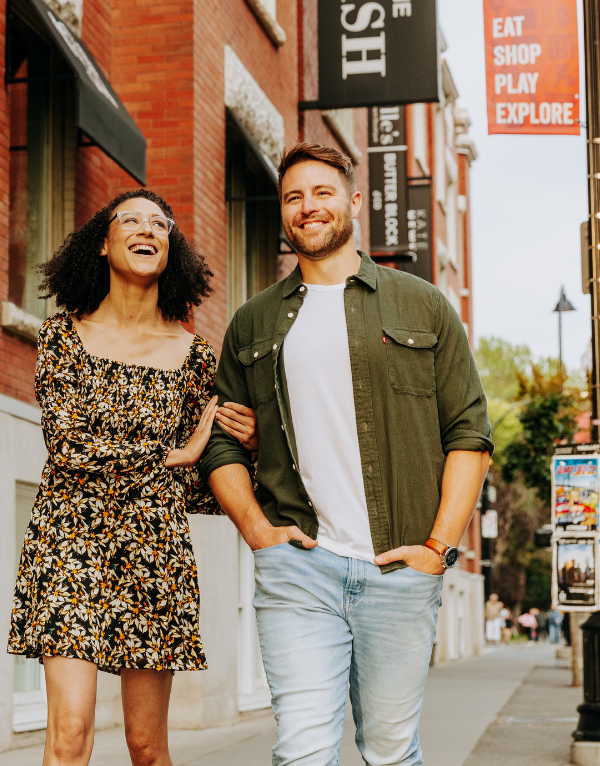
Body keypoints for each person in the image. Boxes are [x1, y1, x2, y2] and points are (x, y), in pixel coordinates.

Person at [200, 143, 493, 766]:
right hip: (299, 567)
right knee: (303, 750)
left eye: (323, 193)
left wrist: (436, 549)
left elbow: (468, 434)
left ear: (354, 201)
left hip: (399, 569)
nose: (309, 207)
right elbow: (223, 439)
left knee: (388, 749)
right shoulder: (253, 323)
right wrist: (257, 531)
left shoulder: (421, 305)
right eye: (294, 197)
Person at [7, 189, 259, 766]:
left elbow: (203, 480)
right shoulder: (62, 337)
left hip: (155, 548)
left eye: (160, 223)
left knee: (147, 748)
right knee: (70, 736)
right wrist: (167, 457)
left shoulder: (196, 356)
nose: (148, 229)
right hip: (68, 543)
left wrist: (247, 446)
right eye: (132, 219)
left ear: (172, 249)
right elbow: (68, 447)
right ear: (103, 241)